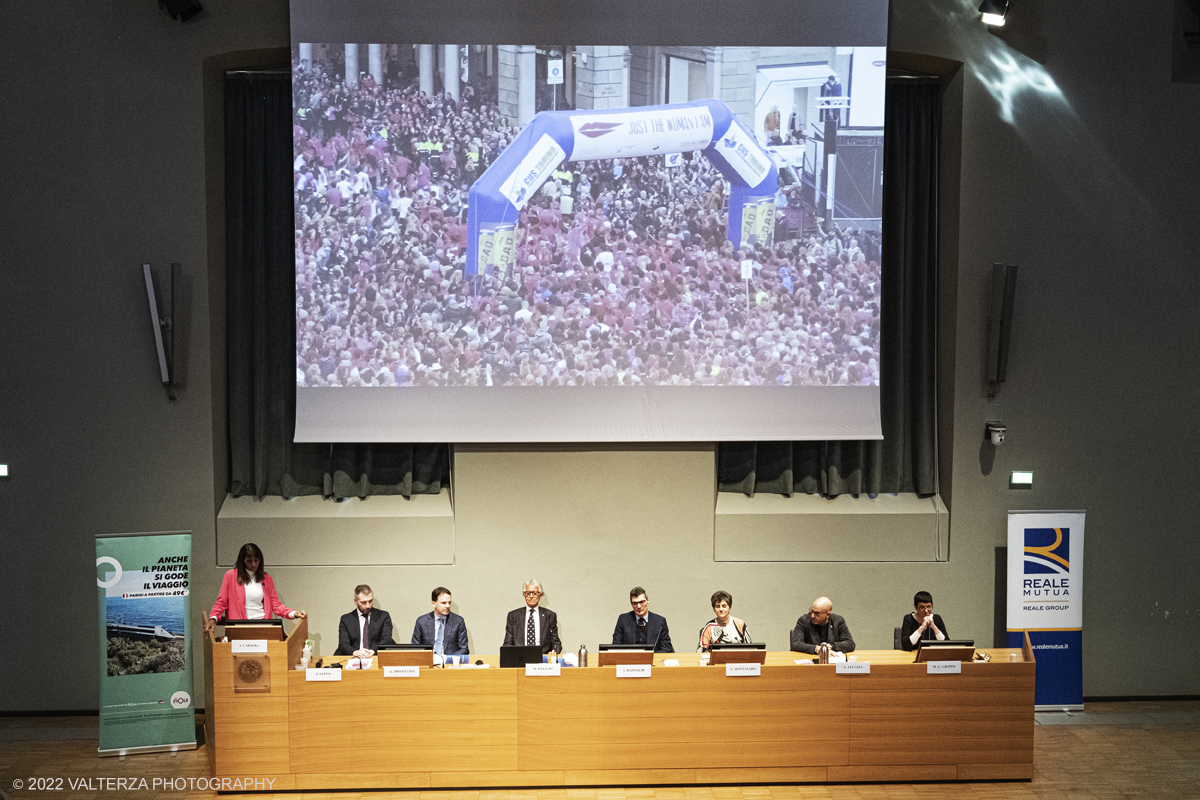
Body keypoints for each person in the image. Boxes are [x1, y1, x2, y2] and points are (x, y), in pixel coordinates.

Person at [205, 543, 306, 635]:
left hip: (264, 627)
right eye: (249, 561)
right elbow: (221, 602)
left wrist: (295, 614)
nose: (253, 564)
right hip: (239, 629)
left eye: (256, 560)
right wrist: (213, 618)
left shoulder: (266, 579)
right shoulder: (230, 576)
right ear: (242, 561)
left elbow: (276, 605)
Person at [502, 579, 562, 654]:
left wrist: (554, 652)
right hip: (520, 658)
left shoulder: (550, 616)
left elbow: (556, 643)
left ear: (540, 595)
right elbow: (508, 643)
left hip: (542, 659)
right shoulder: (513, 616)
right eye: (528, 593)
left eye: (535, 593)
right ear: (524, 595)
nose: (531, 596)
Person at [334, 584, 393, 657]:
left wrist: (373, 650)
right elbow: (343, 644)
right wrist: (355, 652)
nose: (368, 606)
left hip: (376, 656)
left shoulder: (383, 616)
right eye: (363, 602)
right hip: (354, 657)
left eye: (370, 601)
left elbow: (386, 639)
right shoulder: (346, 619)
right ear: (355, 601)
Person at [612, 586, 674, 653]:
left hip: (652, 661)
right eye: (635, 603)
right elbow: (615, 647)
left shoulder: (660, 621)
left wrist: (649, 657)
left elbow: (667, 648)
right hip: (629, 660)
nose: (638, 606)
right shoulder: (623, 620)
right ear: (631, 604)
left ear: (648, 600)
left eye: (642, 602)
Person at [411, 586, 469, 656]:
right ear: (434, 603)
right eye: (444, 603)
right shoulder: (422, 621)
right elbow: (415, 647)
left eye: (449, 603)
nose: (447, 606)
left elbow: (464, 649)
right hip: (428, 662)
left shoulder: (458, 621)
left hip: (449, 662)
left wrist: (446, 659)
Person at [789, 596, 855, 654]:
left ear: (828, 615)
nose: (812, 616)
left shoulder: (838, 621)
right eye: (812, 611)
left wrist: (832, 646)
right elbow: (796, 644)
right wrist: (817, 649)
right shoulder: (804, 620)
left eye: (817, 613)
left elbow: (850, 644)